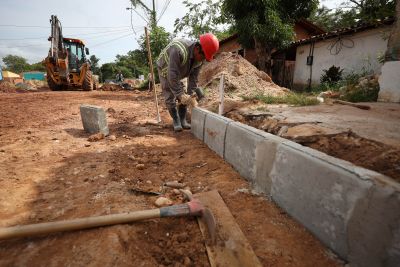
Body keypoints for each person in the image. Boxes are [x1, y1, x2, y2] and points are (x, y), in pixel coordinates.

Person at [156, 33, 219, 132]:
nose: (203, 60)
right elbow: (172, 75)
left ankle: (182, 119)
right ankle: (176, 120)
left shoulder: (199, 60)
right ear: (197, 48)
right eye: (203, 56)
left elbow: (194, 78)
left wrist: (191, 96)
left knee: (185, 94)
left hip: (180, 70)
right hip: (166, 69)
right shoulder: (178, 50)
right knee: (170, 95)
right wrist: (180, 95)